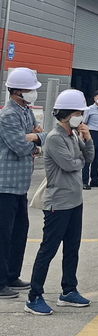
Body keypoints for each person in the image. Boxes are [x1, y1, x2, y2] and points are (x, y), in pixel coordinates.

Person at [25, 89, 94, 315]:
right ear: (66, 114)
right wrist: (81, 159)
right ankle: (34, 296)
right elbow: (70, 164)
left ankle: (68, 290)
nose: (80, 117)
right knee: (48, 249)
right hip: (58, 203)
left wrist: (88, 139)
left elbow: (89, 158)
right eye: (77, 112)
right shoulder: (55, 137)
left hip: (75, 201)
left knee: (72, 248)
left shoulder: (73, 134)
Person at [0, 68, 45, 299]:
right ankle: (0, 282)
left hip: (20, 185)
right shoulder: (8, 115)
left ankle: (11, 275)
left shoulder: (26, 111)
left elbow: (34, 133)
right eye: (29, 90)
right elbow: (20, 145)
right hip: (5, 185)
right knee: (3, 235)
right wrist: (36, 139)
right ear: (17, 91)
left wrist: (33, 135)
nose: (32, 93)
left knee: (19, 231)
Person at [82, 90, 98, 189]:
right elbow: (83, 123)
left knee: (97, 159)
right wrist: (83, 136)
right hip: (92, 134)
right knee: (88, 158)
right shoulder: (89, 109)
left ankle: (94, 179)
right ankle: (84, 181)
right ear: (94, 98)